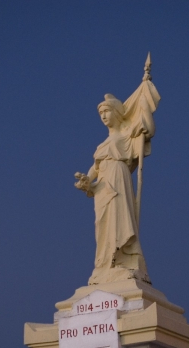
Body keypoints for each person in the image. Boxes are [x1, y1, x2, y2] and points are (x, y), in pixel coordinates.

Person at [74, 94, 151, 285]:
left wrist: (144, 110)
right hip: (102, 185)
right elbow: (96, 167)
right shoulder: (102, 145)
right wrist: (86, 181)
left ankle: (123, 259)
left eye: (107, 111)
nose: (103, 116)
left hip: (118, 176)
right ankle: (104, 264)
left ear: (117, 113)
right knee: (103, 224)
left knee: (119, 218)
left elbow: (148, 129)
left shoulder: (126, 136)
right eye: (100, 113)